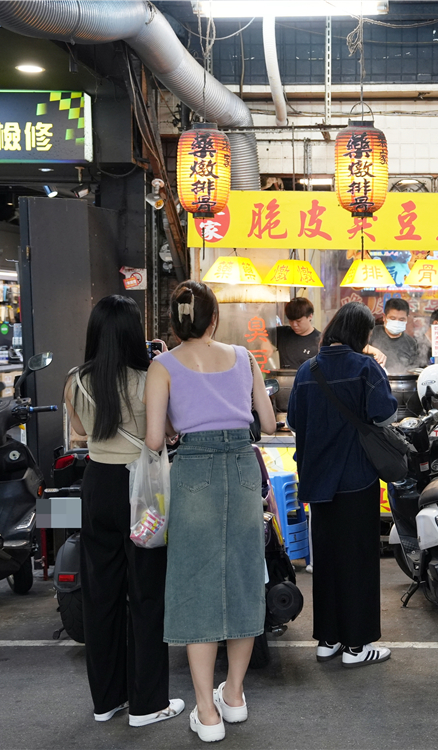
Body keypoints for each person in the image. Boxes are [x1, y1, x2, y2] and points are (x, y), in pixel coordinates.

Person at [145, 281, 276, 742]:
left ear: (175, 322)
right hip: (242, 469)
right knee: (242, 579)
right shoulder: (244, 358)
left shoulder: (161, 366)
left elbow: (156, 440)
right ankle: (234, 696)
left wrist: (181, 423)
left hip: (194, 473)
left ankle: (207, 712)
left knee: (197, 585)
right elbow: (269, 423)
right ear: (214, 318)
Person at [64, 296, 184, 728]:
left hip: (97, 487)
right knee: (147, 594)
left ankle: (106, 700)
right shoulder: (150, 375)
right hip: (142, 492)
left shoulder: (76, 379)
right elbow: (170, 430)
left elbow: (80, 431)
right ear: (134, 333)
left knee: (100, 595)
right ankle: (147, 704)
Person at [288, 302, 398, 669]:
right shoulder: (365, 367)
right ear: (360, 334)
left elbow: (294, 423)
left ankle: (328, 639)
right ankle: (357, 645)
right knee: (359, 560)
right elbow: (384, 413)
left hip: (317, 480)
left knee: (329, 560)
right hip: (356, 478)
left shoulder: (307, 370)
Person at [368, 297, 424, 372]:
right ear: (384, 317)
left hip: (400, 382)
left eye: (401, 319)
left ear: (407, 319)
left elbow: (413, 369)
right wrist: (373, 350)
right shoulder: (372, 332)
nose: (397, 322)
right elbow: (356, 346)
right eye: (393, 318)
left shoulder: (411, 343)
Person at [269, 297, 320, 369]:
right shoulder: (282, 334)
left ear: (310, 316)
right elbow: (259, 333)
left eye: (298, 321)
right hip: (285, 379)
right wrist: (264, 342)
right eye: (291, 321)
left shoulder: (320, 340)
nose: (294, 325)